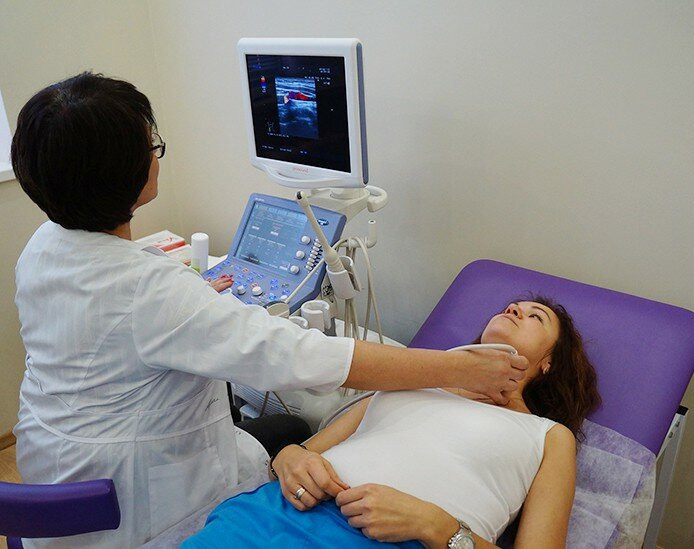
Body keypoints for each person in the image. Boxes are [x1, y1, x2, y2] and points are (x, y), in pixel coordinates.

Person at [9, 72, 529, 548]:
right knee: (289, 432)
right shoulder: (152, 292)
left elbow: (118, 320)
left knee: (284, 434)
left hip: (51, 470)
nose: (156, 156)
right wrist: (457, 368)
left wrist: (191, 306)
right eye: (152, 146)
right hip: (134, 503)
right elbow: (306, 357)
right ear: (125, 173)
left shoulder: (44, 246)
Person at [182, 298, 601, 548]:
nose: (514, 309)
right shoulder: (411, 383)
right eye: (513, 306)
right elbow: (300, 454)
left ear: (548, 363)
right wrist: (289, 458)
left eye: (535, 316)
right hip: (272, 515)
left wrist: (436, 525)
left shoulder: (547, 435)